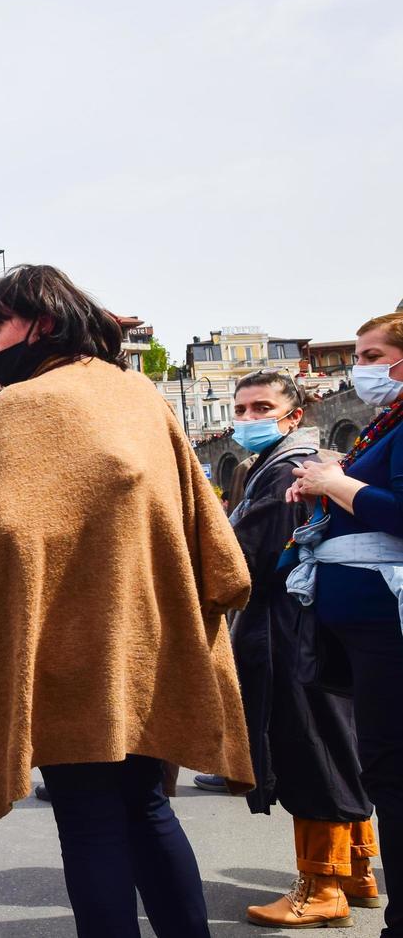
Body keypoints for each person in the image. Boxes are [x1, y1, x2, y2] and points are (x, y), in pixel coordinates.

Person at [0, 265, 254, 938]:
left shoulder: (19, 407)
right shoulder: (139, 394)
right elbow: (211, 535)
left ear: (42, 324)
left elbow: (6, 538)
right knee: (145, 807)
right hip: (151, 640)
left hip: (66, 647)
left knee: (87, 822)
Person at [224, 370, 378, 928]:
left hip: (291, 631)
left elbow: (249, 558)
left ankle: (321, 887)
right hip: (306, 627)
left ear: (293, 415)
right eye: (241, 408)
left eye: (261, 407)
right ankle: (357, 870)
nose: (247, 419)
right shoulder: (287, 466)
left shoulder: (289, 470)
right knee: (335, 745)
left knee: (308, 748)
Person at [287, 311, 403, 936]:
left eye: (370, 353)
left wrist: (337, 484)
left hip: (385, 625)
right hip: (366, 625)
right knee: (384, 764)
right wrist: (328, 484)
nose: (358, 366)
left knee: (392, 768)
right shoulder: (389, 422)